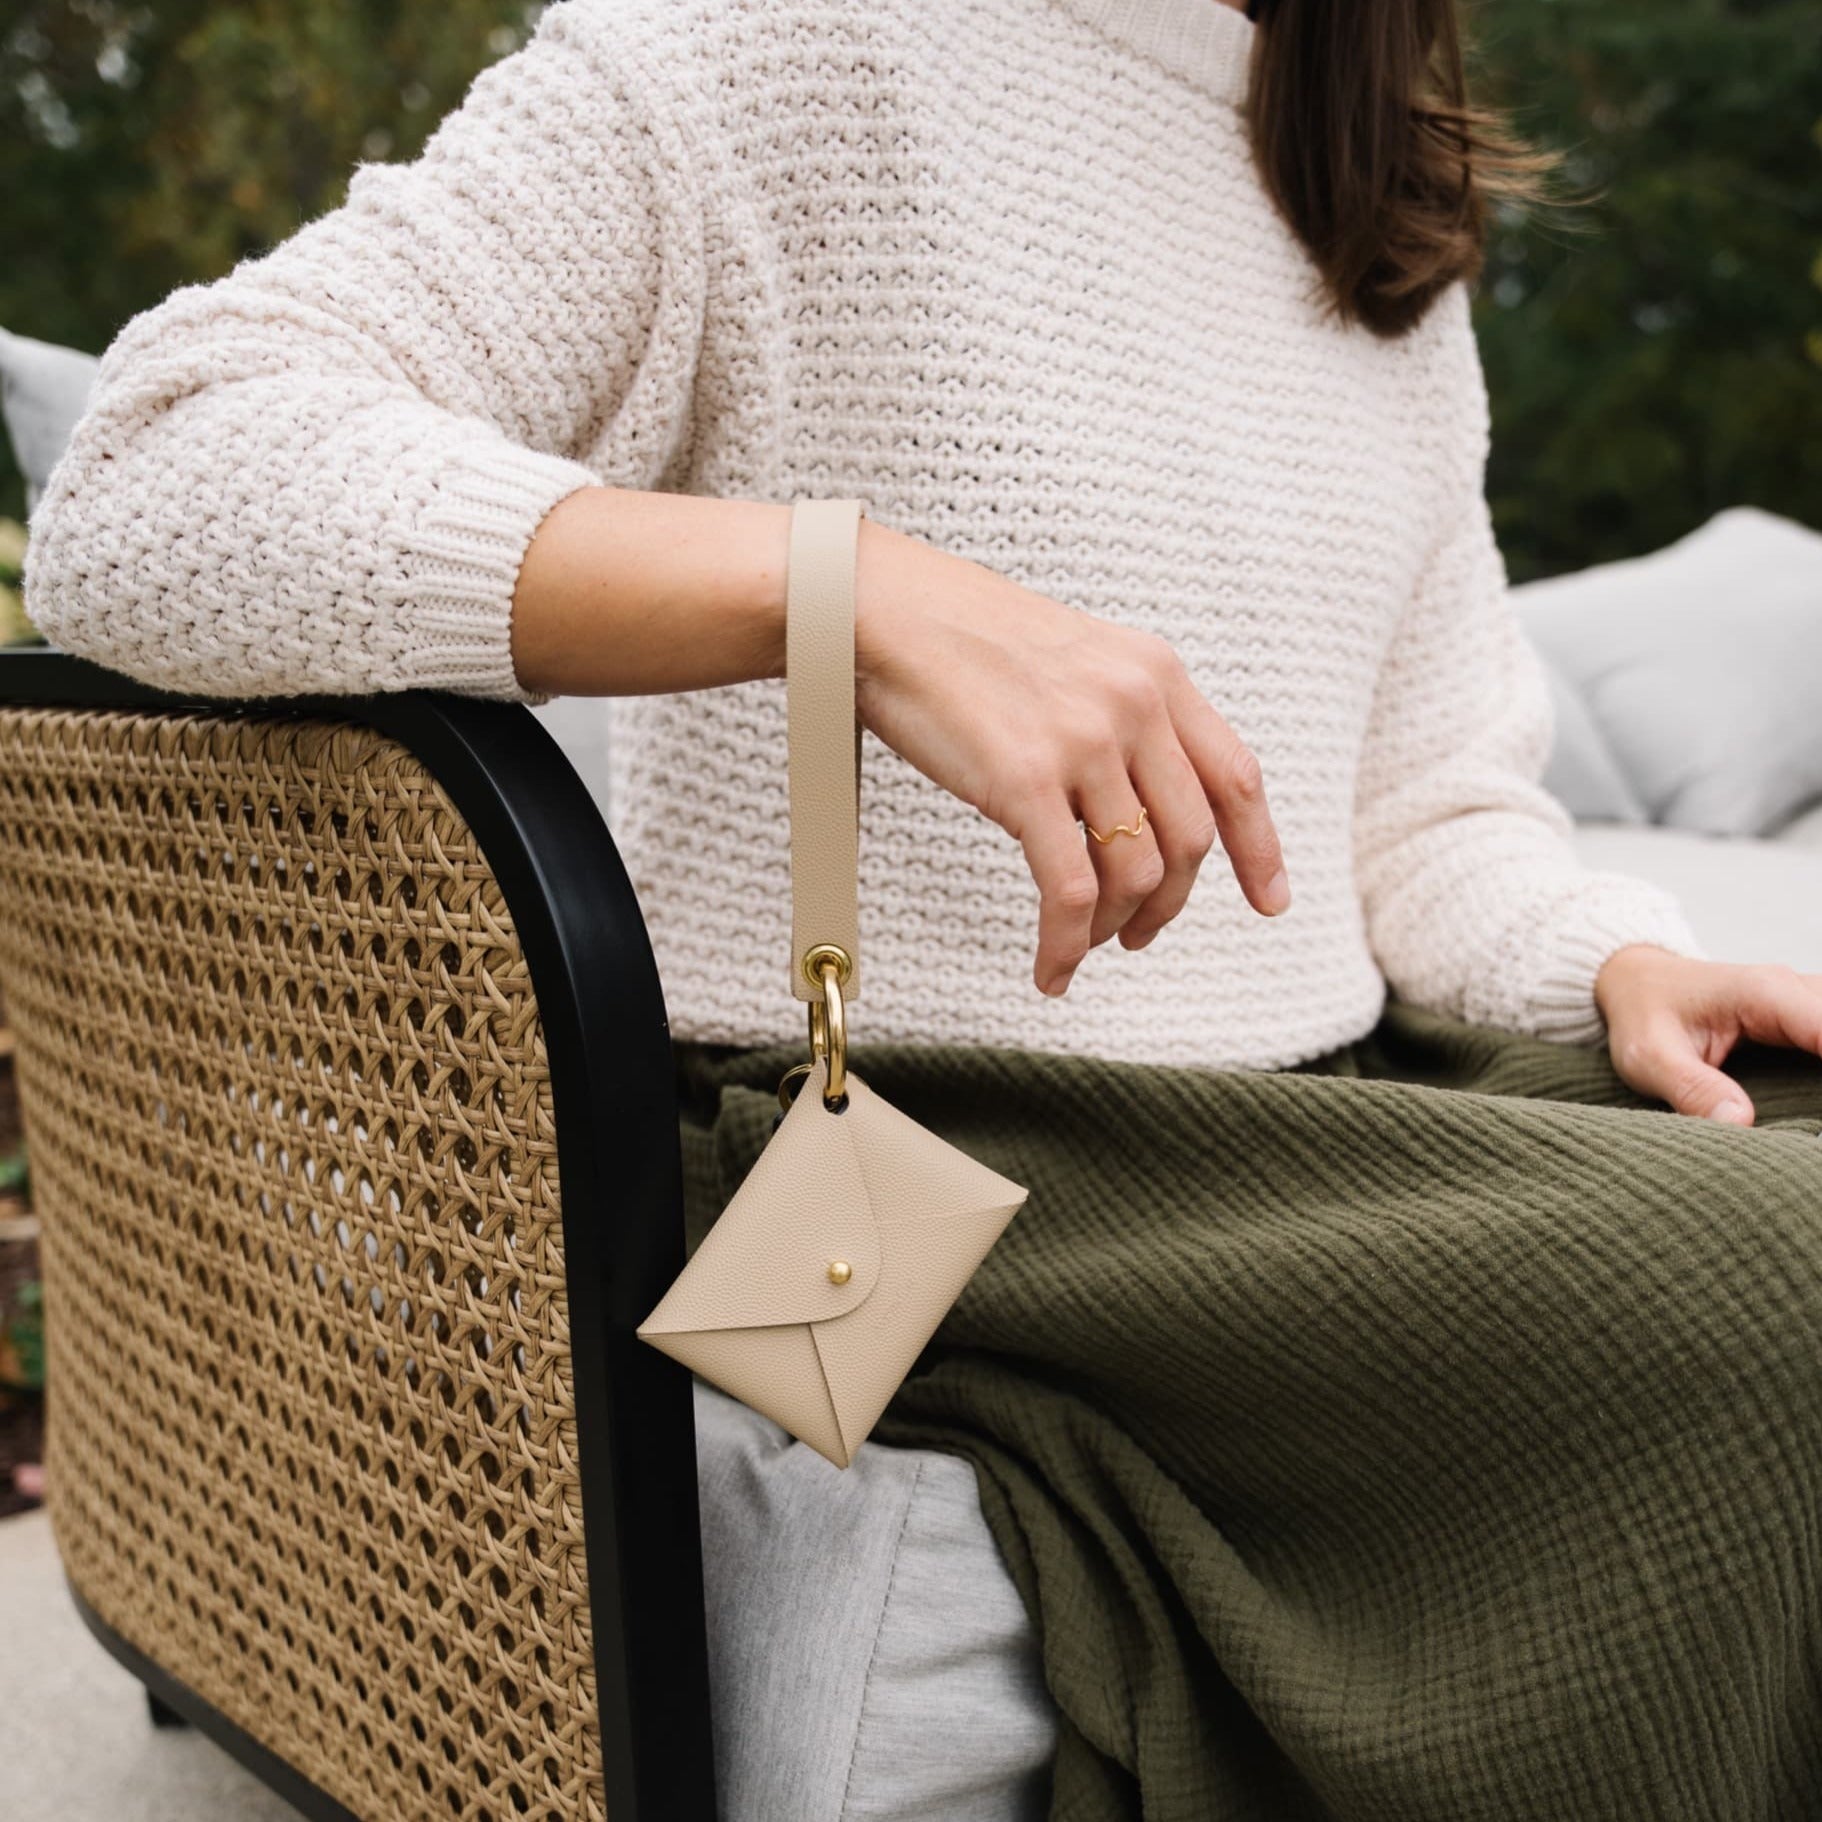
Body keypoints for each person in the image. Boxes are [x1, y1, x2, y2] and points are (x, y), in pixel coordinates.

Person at [24, 0, 1822, 1816]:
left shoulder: (1373, 206)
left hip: (1304, 1114)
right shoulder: (772, 43)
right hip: (887, 1136)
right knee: (1776, 1274)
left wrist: (1619, 960)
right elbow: (160, 478)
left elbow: (1428, 806)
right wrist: (839, 589)